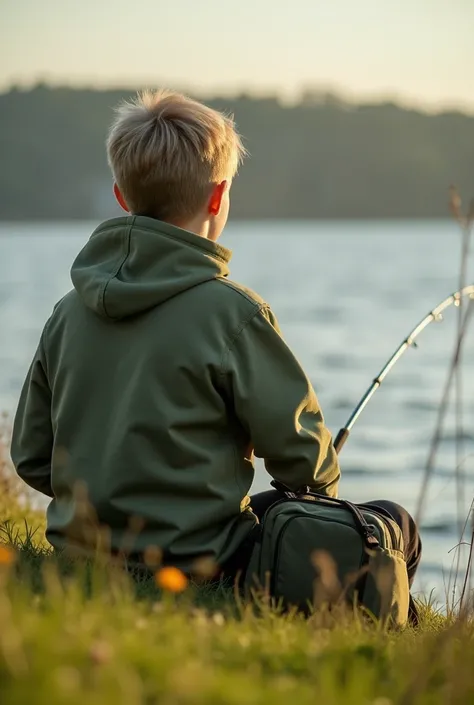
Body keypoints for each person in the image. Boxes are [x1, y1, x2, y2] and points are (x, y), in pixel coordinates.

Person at [11, 90, 421, 591]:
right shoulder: (235, 315)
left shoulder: (66, 313)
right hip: (204, 564)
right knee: (396, 522)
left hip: (82, 556)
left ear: (121, 197)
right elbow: (306, 467)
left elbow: (32, 456)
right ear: (218, 195)